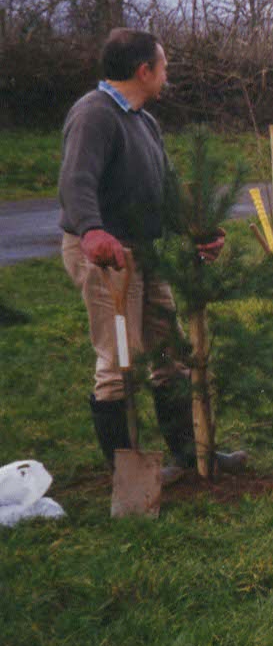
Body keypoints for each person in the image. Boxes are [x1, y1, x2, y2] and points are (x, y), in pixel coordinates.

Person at [58, 28, 247, 481]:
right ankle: (131, 480)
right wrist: (92, 231)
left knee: (169, 351)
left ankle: (189, 456)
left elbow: (165, 187)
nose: (167, 75)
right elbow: (76, 181)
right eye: (164, 66)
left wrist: (195, 231)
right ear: (144, 70)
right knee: (118, 361)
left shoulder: (143, 120)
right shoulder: (94, 115)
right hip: (106, 257)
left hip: (144, 252)